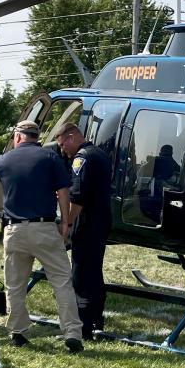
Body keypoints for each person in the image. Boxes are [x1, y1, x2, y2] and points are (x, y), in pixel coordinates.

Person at [0, 120, 83, 353]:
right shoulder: (50, 158)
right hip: (44, 228)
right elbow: (64, 192)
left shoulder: (5, 159)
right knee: (62, 282)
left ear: (18, 137)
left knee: (15, 285)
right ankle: (72, 334)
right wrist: (66, 222)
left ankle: (18, 332)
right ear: (35, 137)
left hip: (14, 231)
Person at [57, 123, 112, 340]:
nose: (63, 150)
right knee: (94, 272)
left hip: (87, 223)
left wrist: (67, 224)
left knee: (81, 276)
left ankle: (83, 328)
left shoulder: (82, 158)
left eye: (62, 145)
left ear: (71, 137)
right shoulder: (98, 153)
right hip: (100, 221)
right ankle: (96, 320)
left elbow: (78, 198)